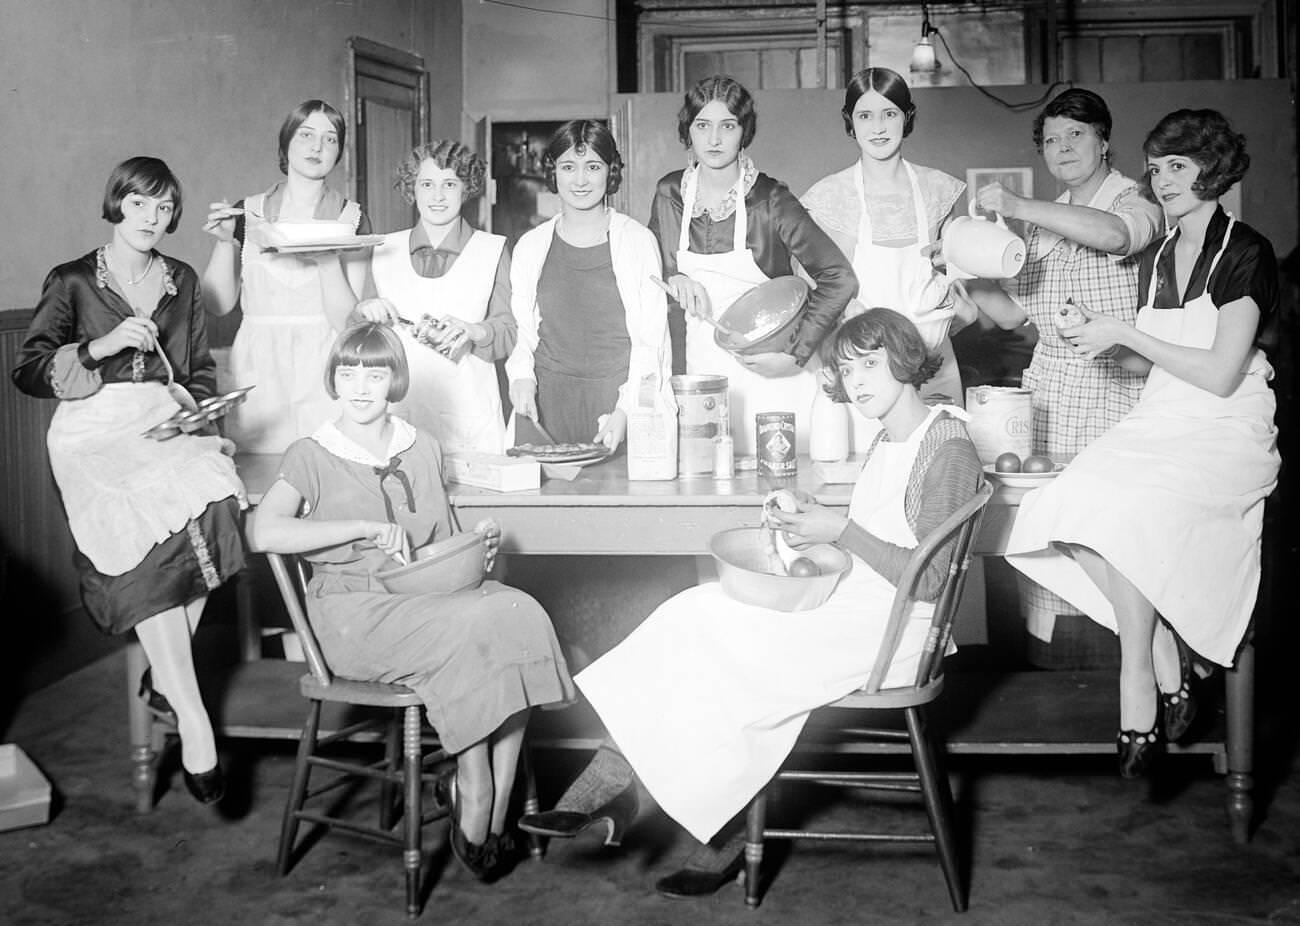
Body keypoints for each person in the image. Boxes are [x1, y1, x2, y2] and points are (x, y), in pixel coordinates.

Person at [519, 308, 984, 897]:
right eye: (847, 369)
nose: (858, 380)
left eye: (869, 363)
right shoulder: (889, 439)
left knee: (720, 650)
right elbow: (872, 543)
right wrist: (810, 523)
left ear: (905, 358)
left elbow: (931, 580)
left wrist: (839, 531)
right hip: (859, 607)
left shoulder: (947, 446)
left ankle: (650, 803)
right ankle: (623, 789)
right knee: (692, 612)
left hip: (896, 631)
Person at [1005, 109, 1281, 778]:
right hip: (1161, 415)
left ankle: (1138, 679)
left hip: (1226, 425)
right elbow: (1154, 361)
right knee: (1063, 505)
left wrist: (1123, 332)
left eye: (1178, 166)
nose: (1163, 181)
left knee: (1126, 514)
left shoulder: (1246, 251)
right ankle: (1160, 652)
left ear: (1214, 168)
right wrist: (1094, 336)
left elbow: (1219, 373)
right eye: (1156, 169)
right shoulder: (1158, 256)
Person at [250, 322, 573, 880]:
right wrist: (362, 528)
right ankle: (474, 783)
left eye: (374, 374)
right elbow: (264, 532)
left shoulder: (420, 446)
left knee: (519, 610)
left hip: (423, 599)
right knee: (472, 625)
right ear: (333, 380)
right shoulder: (311, 453)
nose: (360, 387)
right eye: (348, 373)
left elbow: (439, 549)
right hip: (352, 612)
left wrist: (479, 544)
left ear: (394, 380)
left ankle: (499, 798)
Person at [11, 157, 247, 804]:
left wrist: (200, 418)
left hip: (162, 420)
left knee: (220, 493)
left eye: (165, 208)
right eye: (141, 203)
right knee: (135, 533)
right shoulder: (73, 280)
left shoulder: (182, 279)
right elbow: (28, 371)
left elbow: (196, 367)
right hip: (92, 432)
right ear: (117, 204)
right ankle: (193, 719)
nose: (152, 217)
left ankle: (165, 681)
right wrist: (103, 345)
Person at [967, 87, 1165, 662]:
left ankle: (1144, 659)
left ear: (1104, 141)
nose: (1062, 147)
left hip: (1119, 391)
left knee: (1109, 533)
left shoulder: (1138, 199)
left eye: (1076, 134)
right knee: (1046, 538)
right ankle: (1058, 664)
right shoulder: (1043, 225)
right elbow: (1014, 313)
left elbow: (1116, 236)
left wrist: (1019, 205)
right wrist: (963, 270)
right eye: (1051, 139)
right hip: (1051, 399)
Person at [649, 75, 856, 456]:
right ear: (688, 130)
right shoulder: (670, 194)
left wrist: (795, 354)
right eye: (702, 125)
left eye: (728, 126)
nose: (714, 139)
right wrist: (673, 277)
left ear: (744, 132)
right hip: (702, 377)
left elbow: (839, 278)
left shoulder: (770, 199)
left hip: (775, 378)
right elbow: (648, 274)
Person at [202, 99, 369, 453]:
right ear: (286, 142)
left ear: (339, 151)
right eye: (306, 135)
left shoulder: (351, 219)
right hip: (258, 366)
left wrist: (326, 260)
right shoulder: (247, 212)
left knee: (324, 461)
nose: (317, 147)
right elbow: (218, 304)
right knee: (256, 469)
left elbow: (348, 324)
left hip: (324, 365)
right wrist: (225, 242)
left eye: (330, 138)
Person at [802, 66, 966, 405]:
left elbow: (958, 282)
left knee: (939, 438)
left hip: (934, 364)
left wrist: (958, 305)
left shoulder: (938, 190)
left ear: (907, 117)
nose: (878, 127)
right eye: (865, 115)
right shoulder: (830, 197)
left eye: (889, 113)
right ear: (850, 122)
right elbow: (810, 292)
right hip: (861, 366)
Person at [506, 119, 670, 450]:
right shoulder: (531, 245)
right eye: (568, 167)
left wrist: (628, 409)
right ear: (553, 172)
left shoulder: (637, 241)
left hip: (616, 405)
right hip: (545, 405)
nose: (580, 180)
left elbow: (652, 341)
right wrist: (521, 377)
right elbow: (523, 332)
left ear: (610, 172)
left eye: (593, 167)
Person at [354, 140, 513, 454]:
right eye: (427, 184)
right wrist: (365, 310)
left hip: (470, 414)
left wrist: (476, 331)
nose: (437, 196)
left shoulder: (493, 250)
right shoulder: (384, 248)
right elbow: (359, 337)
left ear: (467, 188)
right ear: (412, 188)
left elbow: (509, 332)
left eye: (449, 184)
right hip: (399, 413)